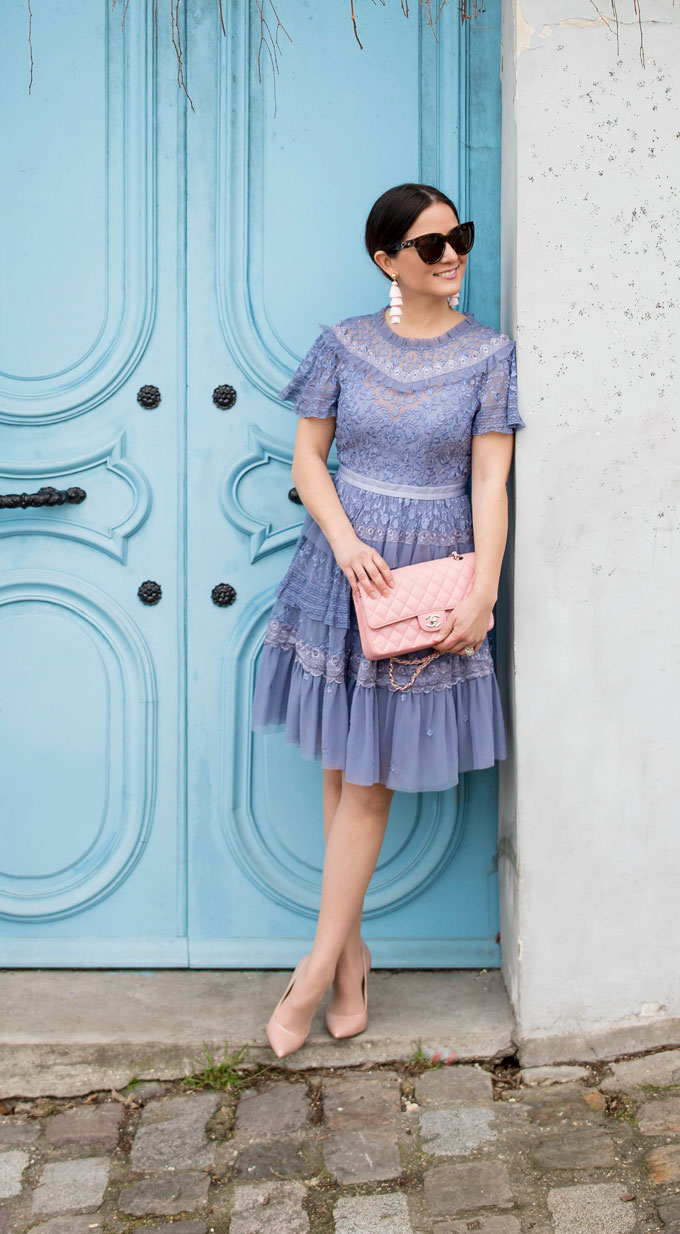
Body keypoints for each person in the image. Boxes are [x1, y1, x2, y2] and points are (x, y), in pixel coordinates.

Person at [252, 182, 521, 1056]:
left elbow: (490, 480)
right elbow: (308, 456)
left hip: (428, 582)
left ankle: (311, 974)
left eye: (459, 239)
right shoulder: (344, 344)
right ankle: (351, 957)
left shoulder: (490, 355)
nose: (452, 257)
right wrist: (343, 542)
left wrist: (483, 589)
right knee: (343, 766)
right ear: (388, 260)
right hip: (344, 575)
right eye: (431, 245)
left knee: (367, 782)